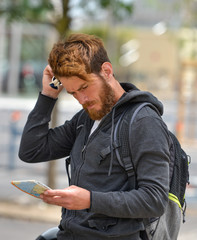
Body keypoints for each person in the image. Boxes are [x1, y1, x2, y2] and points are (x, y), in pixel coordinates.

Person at [19, 33, 170, 240]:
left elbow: (154, 200)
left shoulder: (143, 121)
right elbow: (32, 150)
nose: (82, 99)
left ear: (106, 71)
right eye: (73, 93)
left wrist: (90, 200)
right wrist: (48, 95)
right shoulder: (86, 118)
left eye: (84, 87)